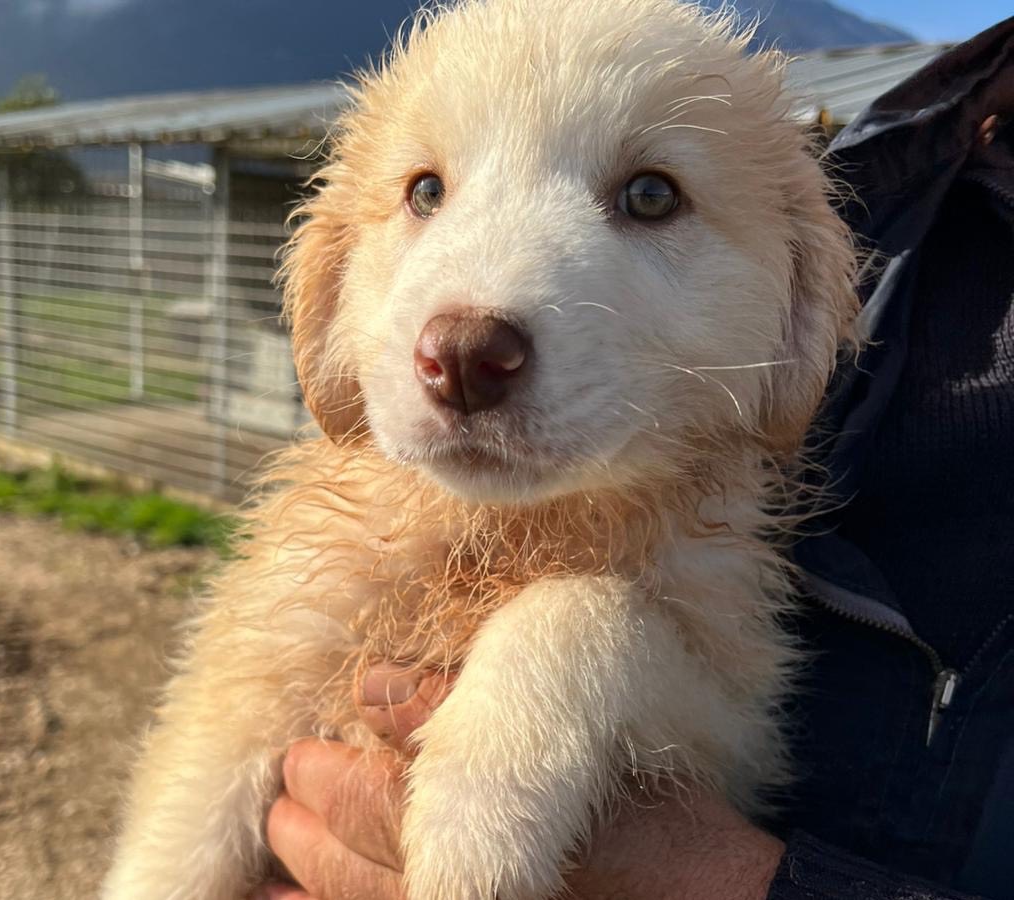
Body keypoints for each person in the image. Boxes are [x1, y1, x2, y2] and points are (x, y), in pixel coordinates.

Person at [255, 16, 1014, 900]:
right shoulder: (915, 150)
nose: (469, 329)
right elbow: (215, 755)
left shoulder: (715, 528)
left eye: (650, 197)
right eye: (427, 191)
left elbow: (725, 719)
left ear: (809, 307)